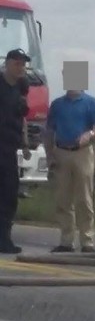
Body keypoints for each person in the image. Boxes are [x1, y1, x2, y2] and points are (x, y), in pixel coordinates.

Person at [44, 73, 95, 253]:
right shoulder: (57, 104)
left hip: (83, 153)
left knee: (84, 198)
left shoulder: (91, 103)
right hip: (61, 151)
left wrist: (90, 134)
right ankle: (66, 240)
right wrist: (49, 155)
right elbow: (49, 131)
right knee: (63, 199)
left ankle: (87, 240)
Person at [0, 49, 32, 253]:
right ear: (8, 64)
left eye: (23, 64)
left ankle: (4, 239)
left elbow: (23, 118)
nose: (21, 68)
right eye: (18, 64)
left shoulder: (22, 86)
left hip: (9, 147)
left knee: (9, 194)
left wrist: (26, 142)